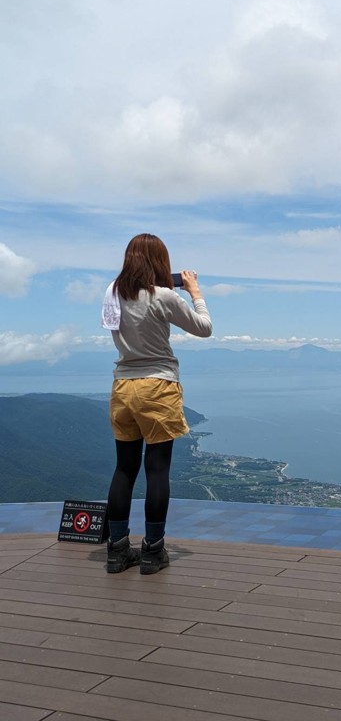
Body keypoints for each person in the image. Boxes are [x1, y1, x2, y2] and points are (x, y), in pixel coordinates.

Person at [101, 233, 212, 574]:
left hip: (122, 386)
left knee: (125, 469)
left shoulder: (112, 292)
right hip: (158, 385)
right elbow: (204, 328)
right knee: (157, 469)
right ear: (160, 262)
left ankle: (117, 550)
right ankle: (152, 550)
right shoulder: (163, 295)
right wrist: (194, 293)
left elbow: (116, 326)